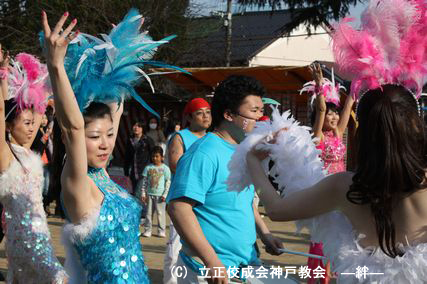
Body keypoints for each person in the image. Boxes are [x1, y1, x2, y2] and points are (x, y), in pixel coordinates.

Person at [246, 0, 427, 282]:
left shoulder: (344, 187)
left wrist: (252, 160)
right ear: (416, 126)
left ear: (363, 132)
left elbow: (278, 210)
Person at [42, 9, 180, 283]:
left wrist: (120, 57)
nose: (105, 144)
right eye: (94, 137)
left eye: (109, 135)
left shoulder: (103, 174)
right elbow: (73, 126)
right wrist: (55, 65)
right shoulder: (77, 182)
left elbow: (114, 107)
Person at [167, 75, 283, 284]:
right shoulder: (204, 153)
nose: (260, 119)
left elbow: (245, 202)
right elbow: (178, 208)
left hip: (245, 266)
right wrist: (212, 261)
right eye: (254, 112)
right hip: (210, 271)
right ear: (229, 114)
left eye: (261, 111)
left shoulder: (244, 151)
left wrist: (265, 234)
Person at [0, 47, 67, 283]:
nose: (31, 127)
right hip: (27, 240)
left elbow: (41, 103)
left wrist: (52, 62)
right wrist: (1, 73)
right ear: (8, 127)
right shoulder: (6, 154)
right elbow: (1, 110)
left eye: (33, 123)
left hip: (41, 235)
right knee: (59, 278)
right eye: (25, 123)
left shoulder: (29, 152)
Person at [302, 63, 354, 283]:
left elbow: (349, 104)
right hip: (325, 191)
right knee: (321, 239)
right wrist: (318, 86)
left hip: (341, 192)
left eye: (335, 114)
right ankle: (317, 278)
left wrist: (358, 81)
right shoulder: (318, 136)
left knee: (341, 236)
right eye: (330, 114)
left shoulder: (339, 133)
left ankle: (334, 276)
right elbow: (321, 109)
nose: (333, 117)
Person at [163, 97, 211, 284]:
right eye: (200, 113)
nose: (205, 116)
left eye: (208, 112)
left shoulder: (212, 137)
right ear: (189, 118)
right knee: (175, 249)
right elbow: (175, 165)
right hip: (182, 201)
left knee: (201, 248)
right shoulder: (180, 137)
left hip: (206, 204)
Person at [136, 146, 171, 237]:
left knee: (160, 213)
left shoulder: (165, 169)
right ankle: (148, 230)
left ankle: (161, 231)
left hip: (160, 196)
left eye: (157, 156)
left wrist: (165, 194)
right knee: (148, 214)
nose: (154, 158)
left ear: (162, 157)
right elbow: (144, 182)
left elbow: (168, 182)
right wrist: (143, 193)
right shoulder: (148, 168)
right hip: (149, 195)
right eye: (153, 156)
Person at [124, 121, 155, 194]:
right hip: (133, 173)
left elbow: (153, 154)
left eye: (139, 126)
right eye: (134, 125)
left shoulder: (148, 140)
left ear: (142, 128)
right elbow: (127, 156)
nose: (136, 127)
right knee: (134, 193)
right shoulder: (130, 140)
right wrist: (126, 171)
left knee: (143, 194)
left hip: (145, 172)